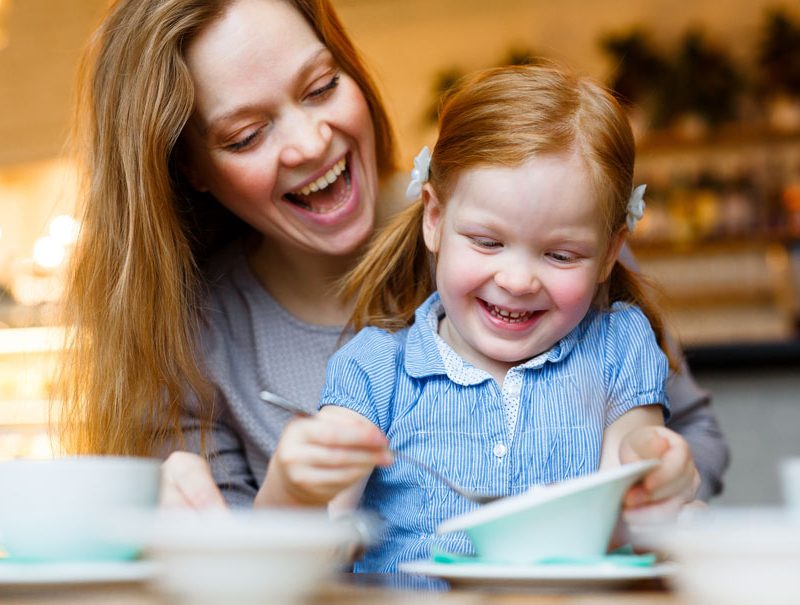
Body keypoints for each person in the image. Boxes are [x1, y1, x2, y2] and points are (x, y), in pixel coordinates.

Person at [57, 0, 727, 509]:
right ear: (189, 167)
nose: (311, 141)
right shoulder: (193, 339)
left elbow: (694, 435)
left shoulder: (538, 226)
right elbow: (238, 562)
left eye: (321, 87)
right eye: (247, 133)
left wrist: (666, 476)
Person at [265, 65, 700, 572]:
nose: (517, 280)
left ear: (609, 254)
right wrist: (291, 488)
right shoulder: (375, 369)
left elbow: (628, 506)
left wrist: (658, 472)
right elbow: (302, 557)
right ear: (434, 218)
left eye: (560, 256)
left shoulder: (618, 347)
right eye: (488, 243)